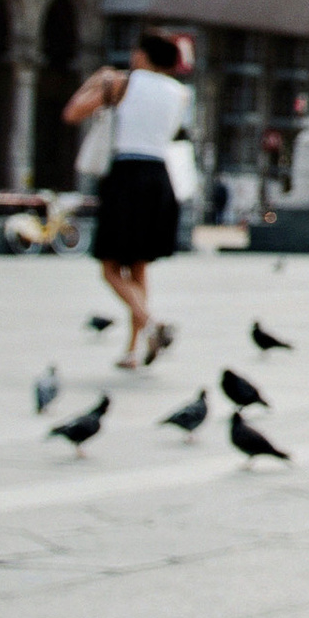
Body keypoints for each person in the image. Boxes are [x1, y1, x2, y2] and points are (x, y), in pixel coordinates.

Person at [66, 31, 192, 368]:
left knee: (109, 268)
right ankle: (133, 350)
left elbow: (73, 113)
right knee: (138, 268)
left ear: (142, 56)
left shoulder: (124, 83)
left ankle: (151, 323)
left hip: (127, 177)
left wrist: (96, 81)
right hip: (160, 178)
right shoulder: (180, 93)